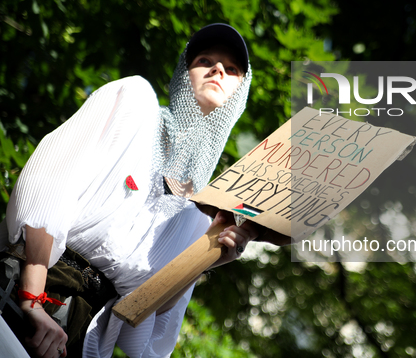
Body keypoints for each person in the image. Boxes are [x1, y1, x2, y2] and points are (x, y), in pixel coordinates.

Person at [0, 23, 264, 357]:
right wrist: (32, 300)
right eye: (204, 60)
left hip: (76, 337)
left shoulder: (203, 212)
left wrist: (210, 258)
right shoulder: (134, 103)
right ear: (185, 74)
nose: (218, 69)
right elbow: (51, 184)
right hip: (26, 291)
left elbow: (143, 307)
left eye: (232, 69)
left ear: (240, 94)